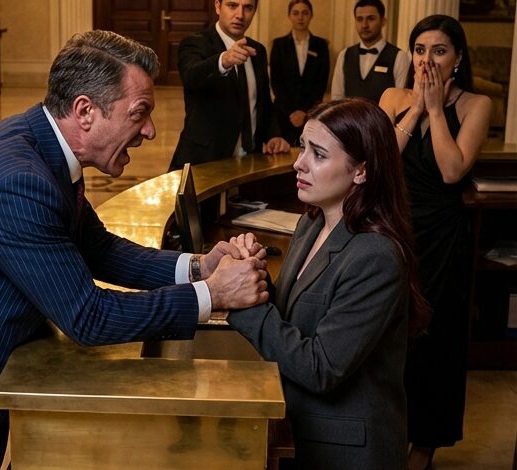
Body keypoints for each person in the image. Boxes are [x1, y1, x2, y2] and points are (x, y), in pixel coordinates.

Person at [0, 30, 270, 470]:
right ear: (85, 111)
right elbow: (88, 317)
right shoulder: (19, 182)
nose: (150, 130)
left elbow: (99, 248)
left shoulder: (44, 144)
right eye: (139, 113)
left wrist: (199, 267)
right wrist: (213, 295)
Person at [227, 98, 428, 469]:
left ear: (361, 171)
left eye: (318, 154)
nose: (299, 163)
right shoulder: (312, 222)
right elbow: (292, 315)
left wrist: (242, 301)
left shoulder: (376, 255)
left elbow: (322, 368)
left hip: (347, 451)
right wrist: (251, 275)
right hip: (301, 428)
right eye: (303, 147)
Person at [378, 15, 492, 470]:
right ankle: (386, 434)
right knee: (390, 337)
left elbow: (451, 170)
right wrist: (416, 108)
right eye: (420, 50)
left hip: (443, 239)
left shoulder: (476, 104)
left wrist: (436, 110)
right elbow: (381, 159)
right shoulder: (392, 97)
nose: (427, 60)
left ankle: (424, 446)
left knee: (436, 342)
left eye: (439, 51)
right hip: (393, 231)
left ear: (457, 58)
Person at [169, 0, 290, 172]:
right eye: (232, 6)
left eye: (248, 8)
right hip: (204, 161)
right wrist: (223, 61)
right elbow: (191, 76)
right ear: (218, 7)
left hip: (250, 161)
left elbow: (263, 101)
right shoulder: (195, 43)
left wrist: (273, 135)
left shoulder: (258, 51)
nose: (240, 15)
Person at [270, 0, 330, 146]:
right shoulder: (279, 45)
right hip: (283, 116)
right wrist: (291, 112)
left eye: (305, 13)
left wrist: (304, 112)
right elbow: (276, 82)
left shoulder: (321, 45)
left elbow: (321, 83)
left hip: (311, 115)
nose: (300, 17)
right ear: (289, 16)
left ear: (311, 15)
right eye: (296, 13)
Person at [330, 0, 410, 103]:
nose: (364, 25)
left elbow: (400, 101)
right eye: (359, 19)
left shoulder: (399, 57)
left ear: (383, 21)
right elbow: (336, 99)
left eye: (371, 19)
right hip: (348, 114)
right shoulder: (344, 54)